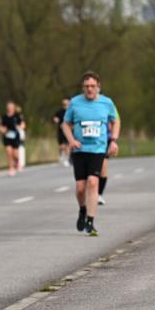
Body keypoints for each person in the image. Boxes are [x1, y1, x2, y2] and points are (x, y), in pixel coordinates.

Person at [62, 71, 120, 237]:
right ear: (83, 88)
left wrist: (113, 140)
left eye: (93, 86)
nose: (90, 89)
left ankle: (90, 220)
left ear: (98, 87)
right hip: (79, 150)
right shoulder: (75, 103)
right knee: (81, 188)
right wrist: (71, 140)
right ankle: (82, 209)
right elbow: (65, 125)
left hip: (98, 149)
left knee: (93, 182)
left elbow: (115, 121)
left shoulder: (106, 103)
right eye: (87, 86)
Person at [0, 101, 25, 176]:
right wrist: (2, 130)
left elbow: (23, 124)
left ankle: (17, 162)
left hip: (15, 136)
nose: (10, 109)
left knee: (15, 154)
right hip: (7, 136)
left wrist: (20, 127)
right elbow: (1, 126)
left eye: (11, 107)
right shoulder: (4, 117)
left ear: (14, 108)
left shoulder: (17, 116)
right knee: (9, 152)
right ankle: (11, 168)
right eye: (9, 107)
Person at [53, 98, 71, 166]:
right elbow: (55, 118)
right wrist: (55, 120)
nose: (65, 105)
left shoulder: (71, 112)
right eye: (64, 104)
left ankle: (67, 158)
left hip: (69, 131)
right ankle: (62, 156)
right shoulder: (60, 112)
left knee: (68, 146)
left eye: (67, 103)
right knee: (62, 146)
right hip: (61, 131)